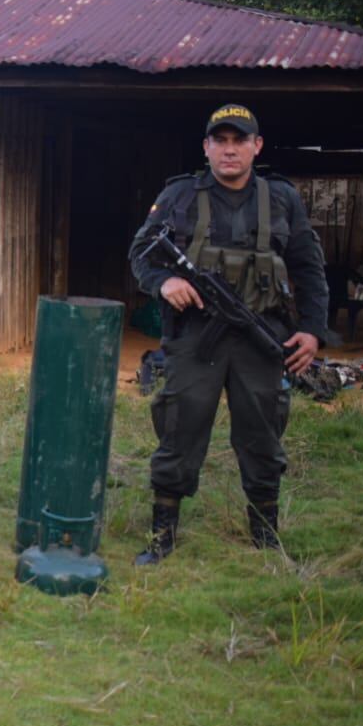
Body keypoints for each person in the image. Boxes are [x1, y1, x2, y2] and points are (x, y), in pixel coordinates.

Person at [128, 104, 328, 564]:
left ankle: (265, 536)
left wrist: (313, 331)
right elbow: (141, 254)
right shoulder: (178, 195)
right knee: (180, 428)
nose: (230, 149)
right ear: (207, 147)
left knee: (262, 436)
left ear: (256, 147)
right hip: (196, 338)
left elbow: (309, 269)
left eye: (240, 140)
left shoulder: (281, 199)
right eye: (220, 140)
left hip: (262, 337)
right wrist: (165, 282)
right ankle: (163, 535)